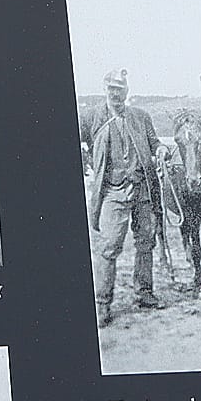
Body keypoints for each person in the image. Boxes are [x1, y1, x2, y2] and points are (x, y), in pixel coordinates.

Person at [86, 68, 165, 326]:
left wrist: (162, 149)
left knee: (145, 242)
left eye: (119, 90)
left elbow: (154, 143)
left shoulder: (140, 117)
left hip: (142, 189)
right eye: (111, 89)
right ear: (105, 90)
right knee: (109, 247)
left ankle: (144, 294)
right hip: (113, 192)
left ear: (127, 92)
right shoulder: (93, 117)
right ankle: (101, 304)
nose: (115, 94)